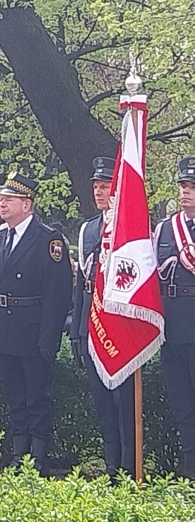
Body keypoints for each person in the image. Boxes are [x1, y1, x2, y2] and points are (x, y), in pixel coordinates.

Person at [0, 171, 72, 475]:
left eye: (9, 199)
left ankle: (38, 452)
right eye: (1, 199)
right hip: (6, 330)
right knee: (13, 395)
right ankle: (18, 449)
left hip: (33, 329)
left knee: (37, 396)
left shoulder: (48, 239)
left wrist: (49, 339)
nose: (2, 204)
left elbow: (58, 294)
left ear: (27, 204)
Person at [70, 156, 136, 479]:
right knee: (102, 403)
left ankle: (129, 464)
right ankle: (111, 466)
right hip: (92, 326)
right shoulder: (88, 230)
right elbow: (83, 284)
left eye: (104, 185)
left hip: (120, 328)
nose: (98, 191)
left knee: (125, 404)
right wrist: (77, 332)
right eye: (95, 185)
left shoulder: (129, 226)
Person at [154, 155, 195, 480]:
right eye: (183, 185)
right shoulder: (165, 229)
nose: (186, 192)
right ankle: (189, 470)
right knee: (183, 406)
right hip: (173, 329)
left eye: (192, 186)